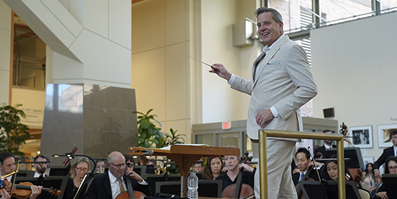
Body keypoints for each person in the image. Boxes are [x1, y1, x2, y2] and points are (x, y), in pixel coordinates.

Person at [210, 7, 317, 198]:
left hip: (280, 129)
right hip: (267, 132)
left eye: (266, 23)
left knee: (264, 182)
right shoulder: (267, 53)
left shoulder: (291, 49)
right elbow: (258, 88)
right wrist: (229, 77)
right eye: (259, 25)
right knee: (284, 188)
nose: (261, 28)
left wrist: (274, 111)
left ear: (280, 25)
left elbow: (309, 88)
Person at [84, 151, 151, 199]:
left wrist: (140, 180)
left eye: (123, 164)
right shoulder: (98, 180)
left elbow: (147, 196)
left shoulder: (131, 178)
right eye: (118, 165)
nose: (122, 168)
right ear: (109, 166)